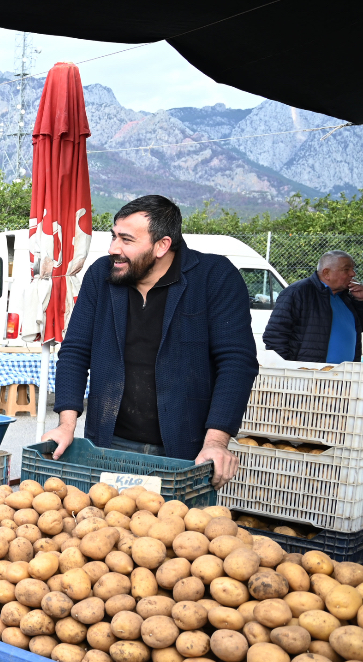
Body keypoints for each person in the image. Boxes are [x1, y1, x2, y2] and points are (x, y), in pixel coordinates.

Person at [43, 195, 259, 489]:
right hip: (108, 443)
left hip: (186, 450)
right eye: (113, 236)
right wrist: (66, 425)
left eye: (126, 240)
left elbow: (237, 363)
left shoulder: (214, 277)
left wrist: (217, 442)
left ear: (162, 245)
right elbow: (75, 352)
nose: (113, 249)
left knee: (172, 532)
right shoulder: (101, 276)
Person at [263, 250, 363, 363]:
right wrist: (289, 369)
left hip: (345, 377)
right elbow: (275, 336)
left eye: (352, 269)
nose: (353, 274)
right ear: (326, 273)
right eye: (346, 269)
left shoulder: (347, 297)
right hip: (308, 376)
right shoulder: (298, 292)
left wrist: (360, 300)